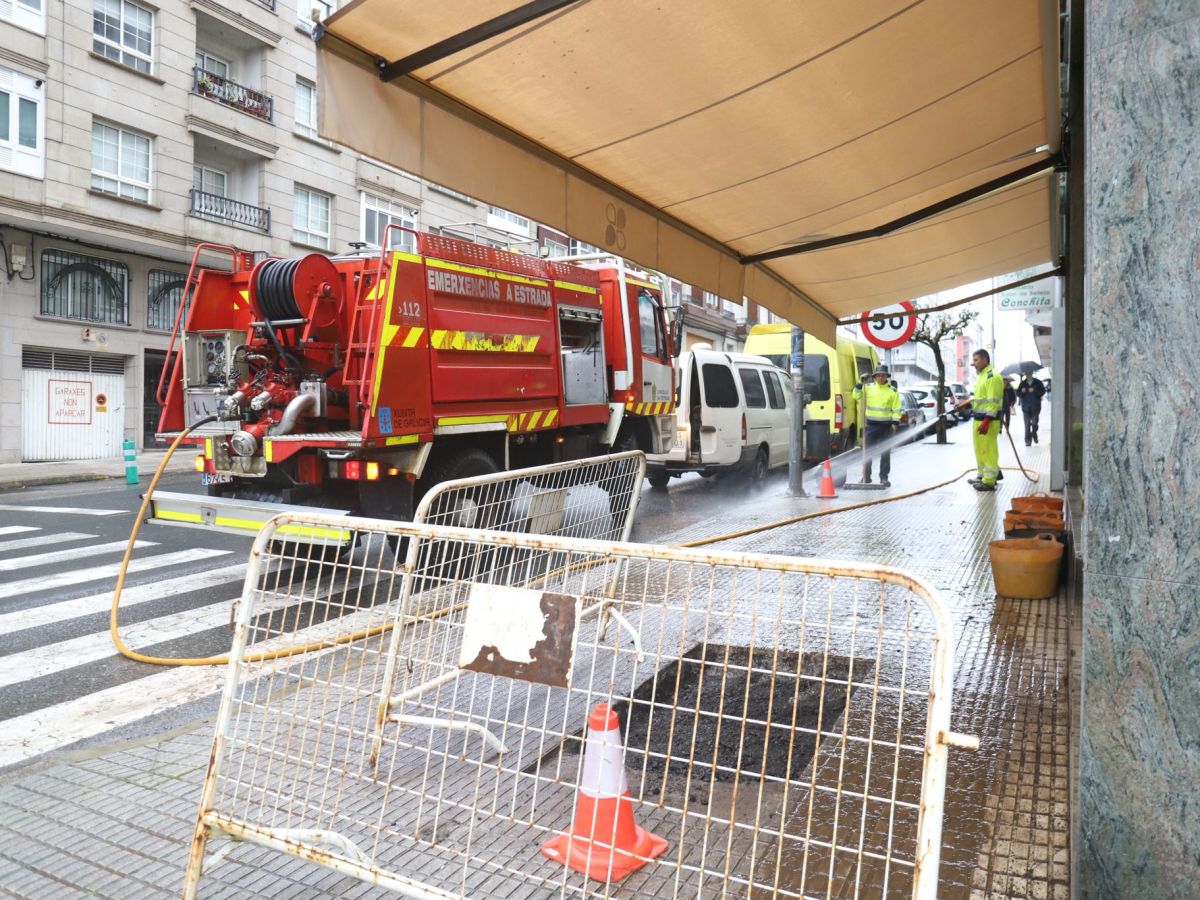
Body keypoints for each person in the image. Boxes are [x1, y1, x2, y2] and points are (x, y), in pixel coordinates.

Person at [853, 364, 901, 486]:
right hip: (870, 426)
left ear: (887, 377)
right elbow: (856, 396)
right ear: (874, 377)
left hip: (886, 426)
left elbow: (896, 409)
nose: (880, 378)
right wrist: (859, 384)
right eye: (878, 375)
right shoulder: (867, 388)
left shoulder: (892, 391)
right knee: (867, 452)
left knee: (885, 454)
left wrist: (895, 424)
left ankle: (883, 478)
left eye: (883, 376)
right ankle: (866, 477)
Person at [966, 350, 1004, 492]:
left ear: (985, 360)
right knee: (980, 450)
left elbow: (993, 402)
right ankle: (983, 475)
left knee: (988, 450)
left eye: (975, 360)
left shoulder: (992, 376)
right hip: (978, 419)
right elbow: (981, 399)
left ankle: (989, 481)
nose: (973, 363)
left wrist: (987, 421)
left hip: (988, 421)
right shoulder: (981, 376)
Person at [1016, 371, 1047, 446]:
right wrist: (1022, 392)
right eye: (1026, 374)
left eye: (1028, 373)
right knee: (1027, 425)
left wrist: (1035, 391)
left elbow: (1043, 391)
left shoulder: (1038, 382)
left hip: (1035, 407)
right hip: (1025, 407)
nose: (1027, 375)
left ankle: (1034, 434)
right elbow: (1018, 393)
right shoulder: (1023, 383)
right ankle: (1027, 441)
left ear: (1031, 374)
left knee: (1034, 423)